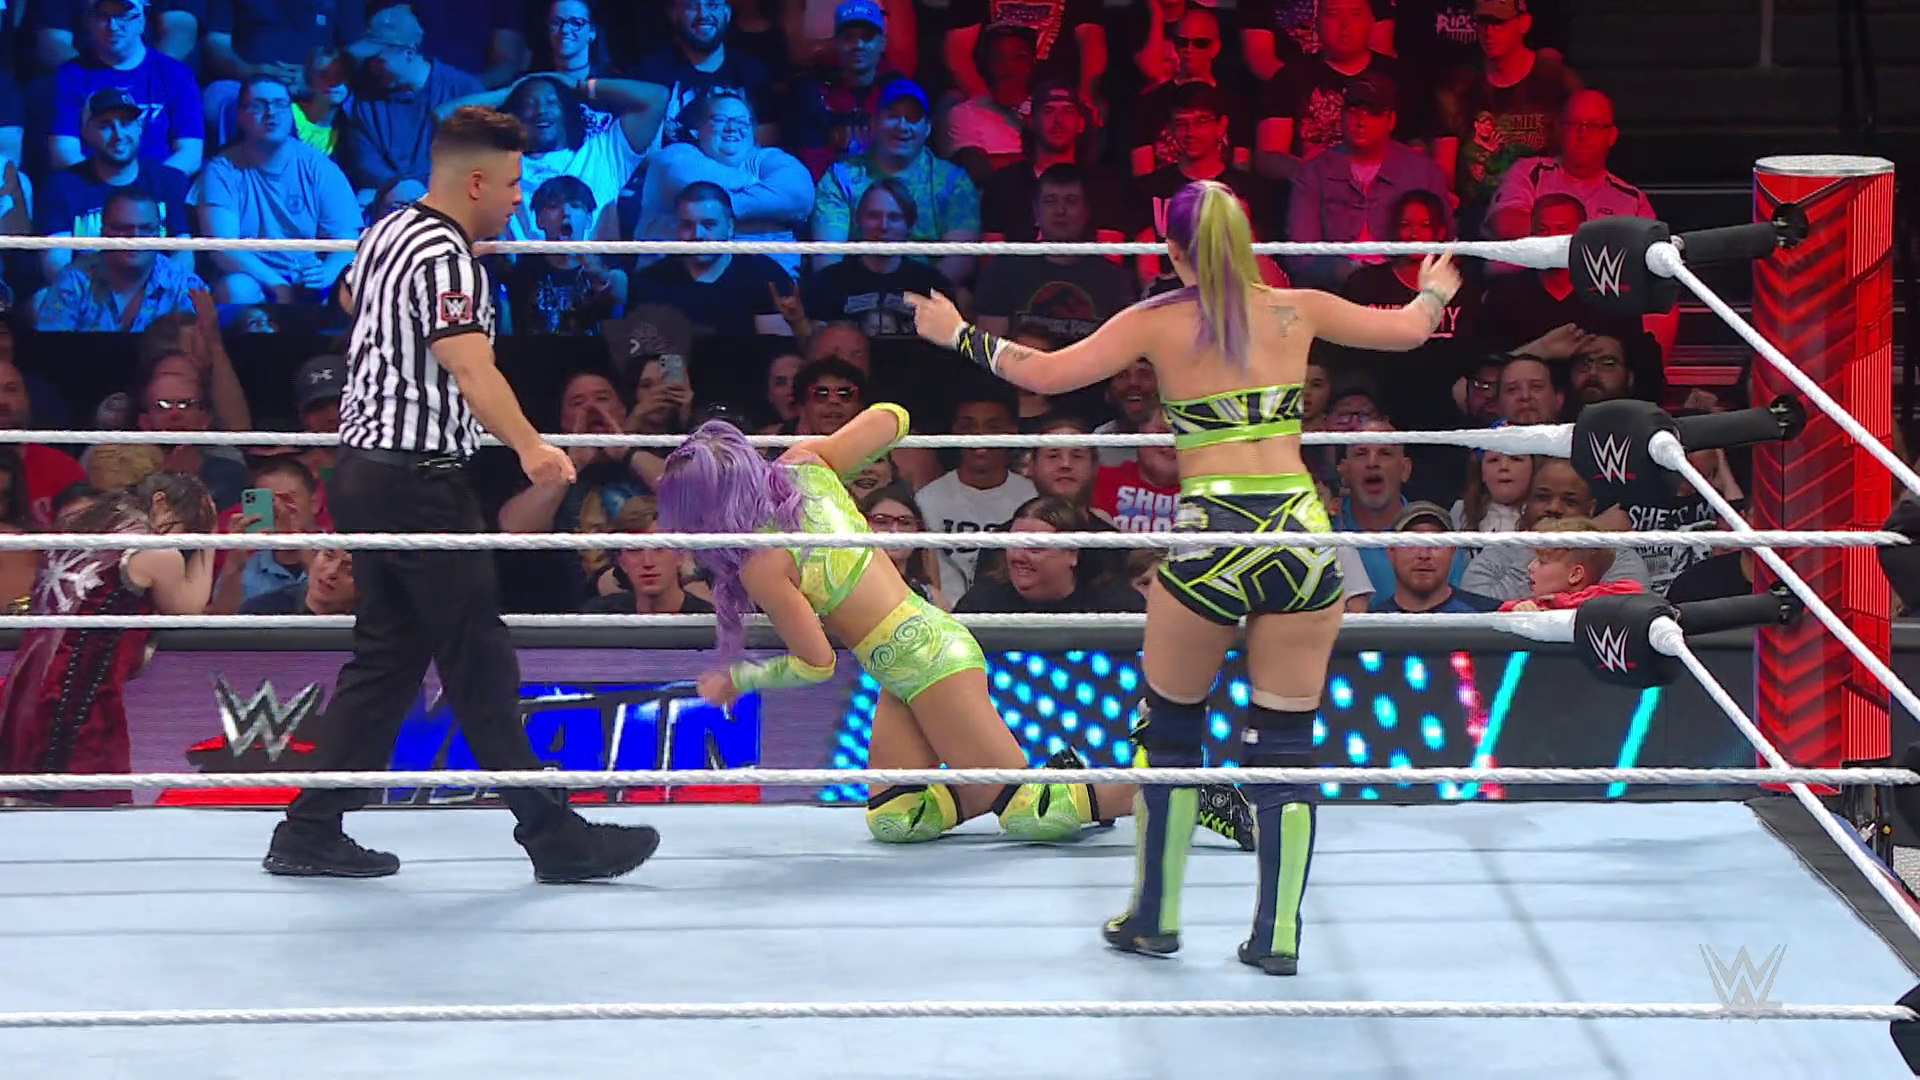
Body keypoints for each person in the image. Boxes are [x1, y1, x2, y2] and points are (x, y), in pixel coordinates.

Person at [906, 178, 1461, 974]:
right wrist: (1435, 291)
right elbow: (1409, 330)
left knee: (1170, 736)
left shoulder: (1158, 320)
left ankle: (1156, 916)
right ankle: (1278, 934)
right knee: (1286, 751)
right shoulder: (1296, 308)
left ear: (1171, 250)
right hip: (1302, 539)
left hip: (1213, 542)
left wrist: (956, 333)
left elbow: (1045, 373)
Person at [262, 107, 659, 885]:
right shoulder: (447, 258)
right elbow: (472, 369)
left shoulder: (386, 231)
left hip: (364, 469)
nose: (517, 199)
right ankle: (555, 837)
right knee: (477, 657)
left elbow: (349, 300)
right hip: (417, 479)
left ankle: (309, 827)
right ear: (474, 181)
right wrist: (532, 446)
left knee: (388, 657)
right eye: (511, 184)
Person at [657, 408, 1256, 849]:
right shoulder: (804, 467)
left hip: (929, 660)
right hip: (905, 664)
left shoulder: (765, 564)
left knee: (1030, 815)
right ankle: (1057, 780)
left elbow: (817, 663)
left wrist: (741, 679)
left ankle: (1177, 787)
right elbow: (892, 418)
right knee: (897, 817)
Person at [0, 472, 216, 807]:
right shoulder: (153, 549)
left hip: (23, 692)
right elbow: (188, 608)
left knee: (23, 805)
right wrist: (209, 539)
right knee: (89, 814)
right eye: (184, 527)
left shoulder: (78, 528)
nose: (181, 540)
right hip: (80, 705)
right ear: (160, 502)